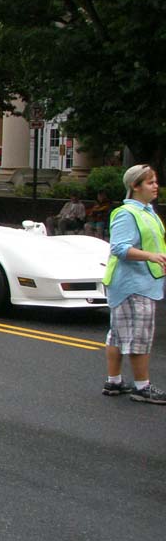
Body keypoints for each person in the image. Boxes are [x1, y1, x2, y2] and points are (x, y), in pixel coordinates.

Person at [101, 165, 166, 403]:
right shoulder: (127, 213)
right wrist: (151, 256)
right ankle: (142, 387)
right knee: (140, 336)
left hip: (141, 281)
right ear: (135, 186)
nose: (155, 186)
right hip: (132, 284)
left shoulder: (148, 212)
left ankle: (114, 382)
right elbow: (118, 247)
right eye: (150, 182)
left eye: (156, 181)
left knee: (118, 335)